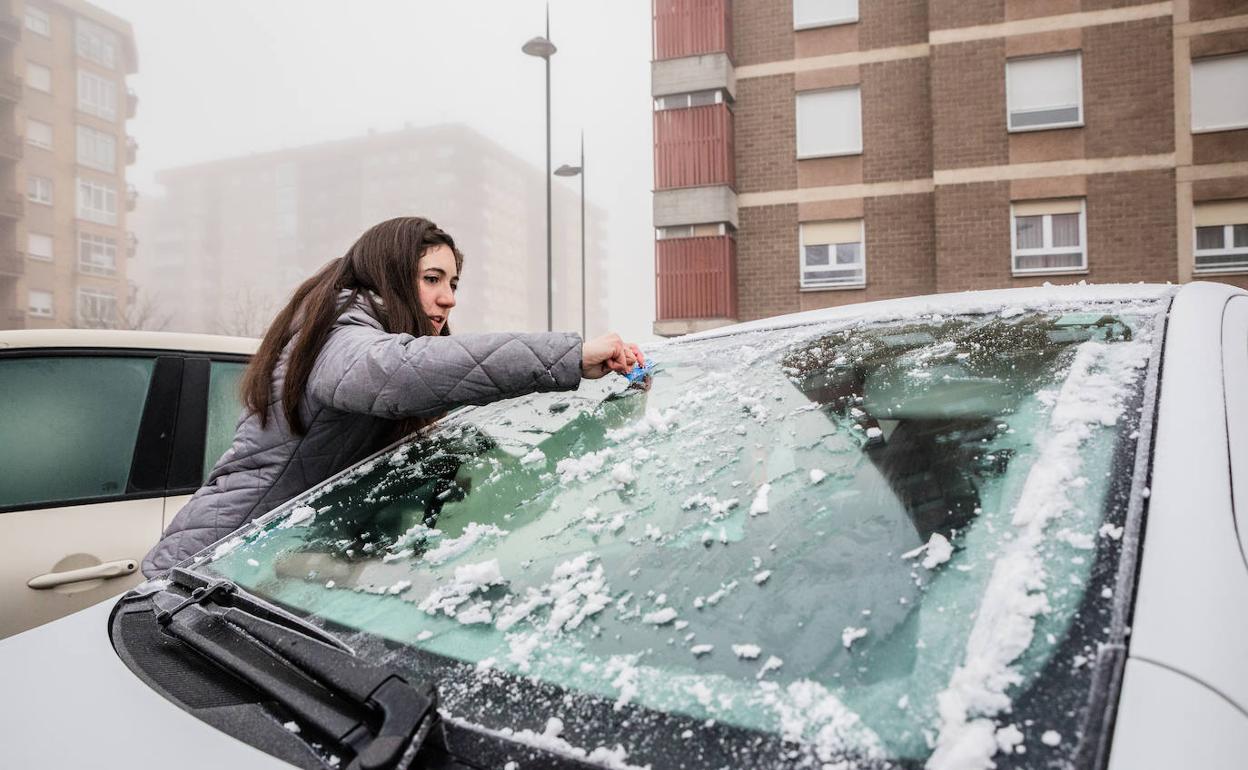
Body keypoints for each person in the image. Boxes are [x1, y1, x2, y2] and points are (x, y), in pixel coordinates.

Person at [142, 216, 641, 576]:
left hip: (255, 569)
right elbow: (399, 374)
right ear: (390, 277)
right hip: (207, 572)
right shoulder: (339, 335)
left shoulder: (345, 329)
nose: (449, 298)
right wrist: (570, 356)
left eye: (453, 282)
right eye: (431, 280)